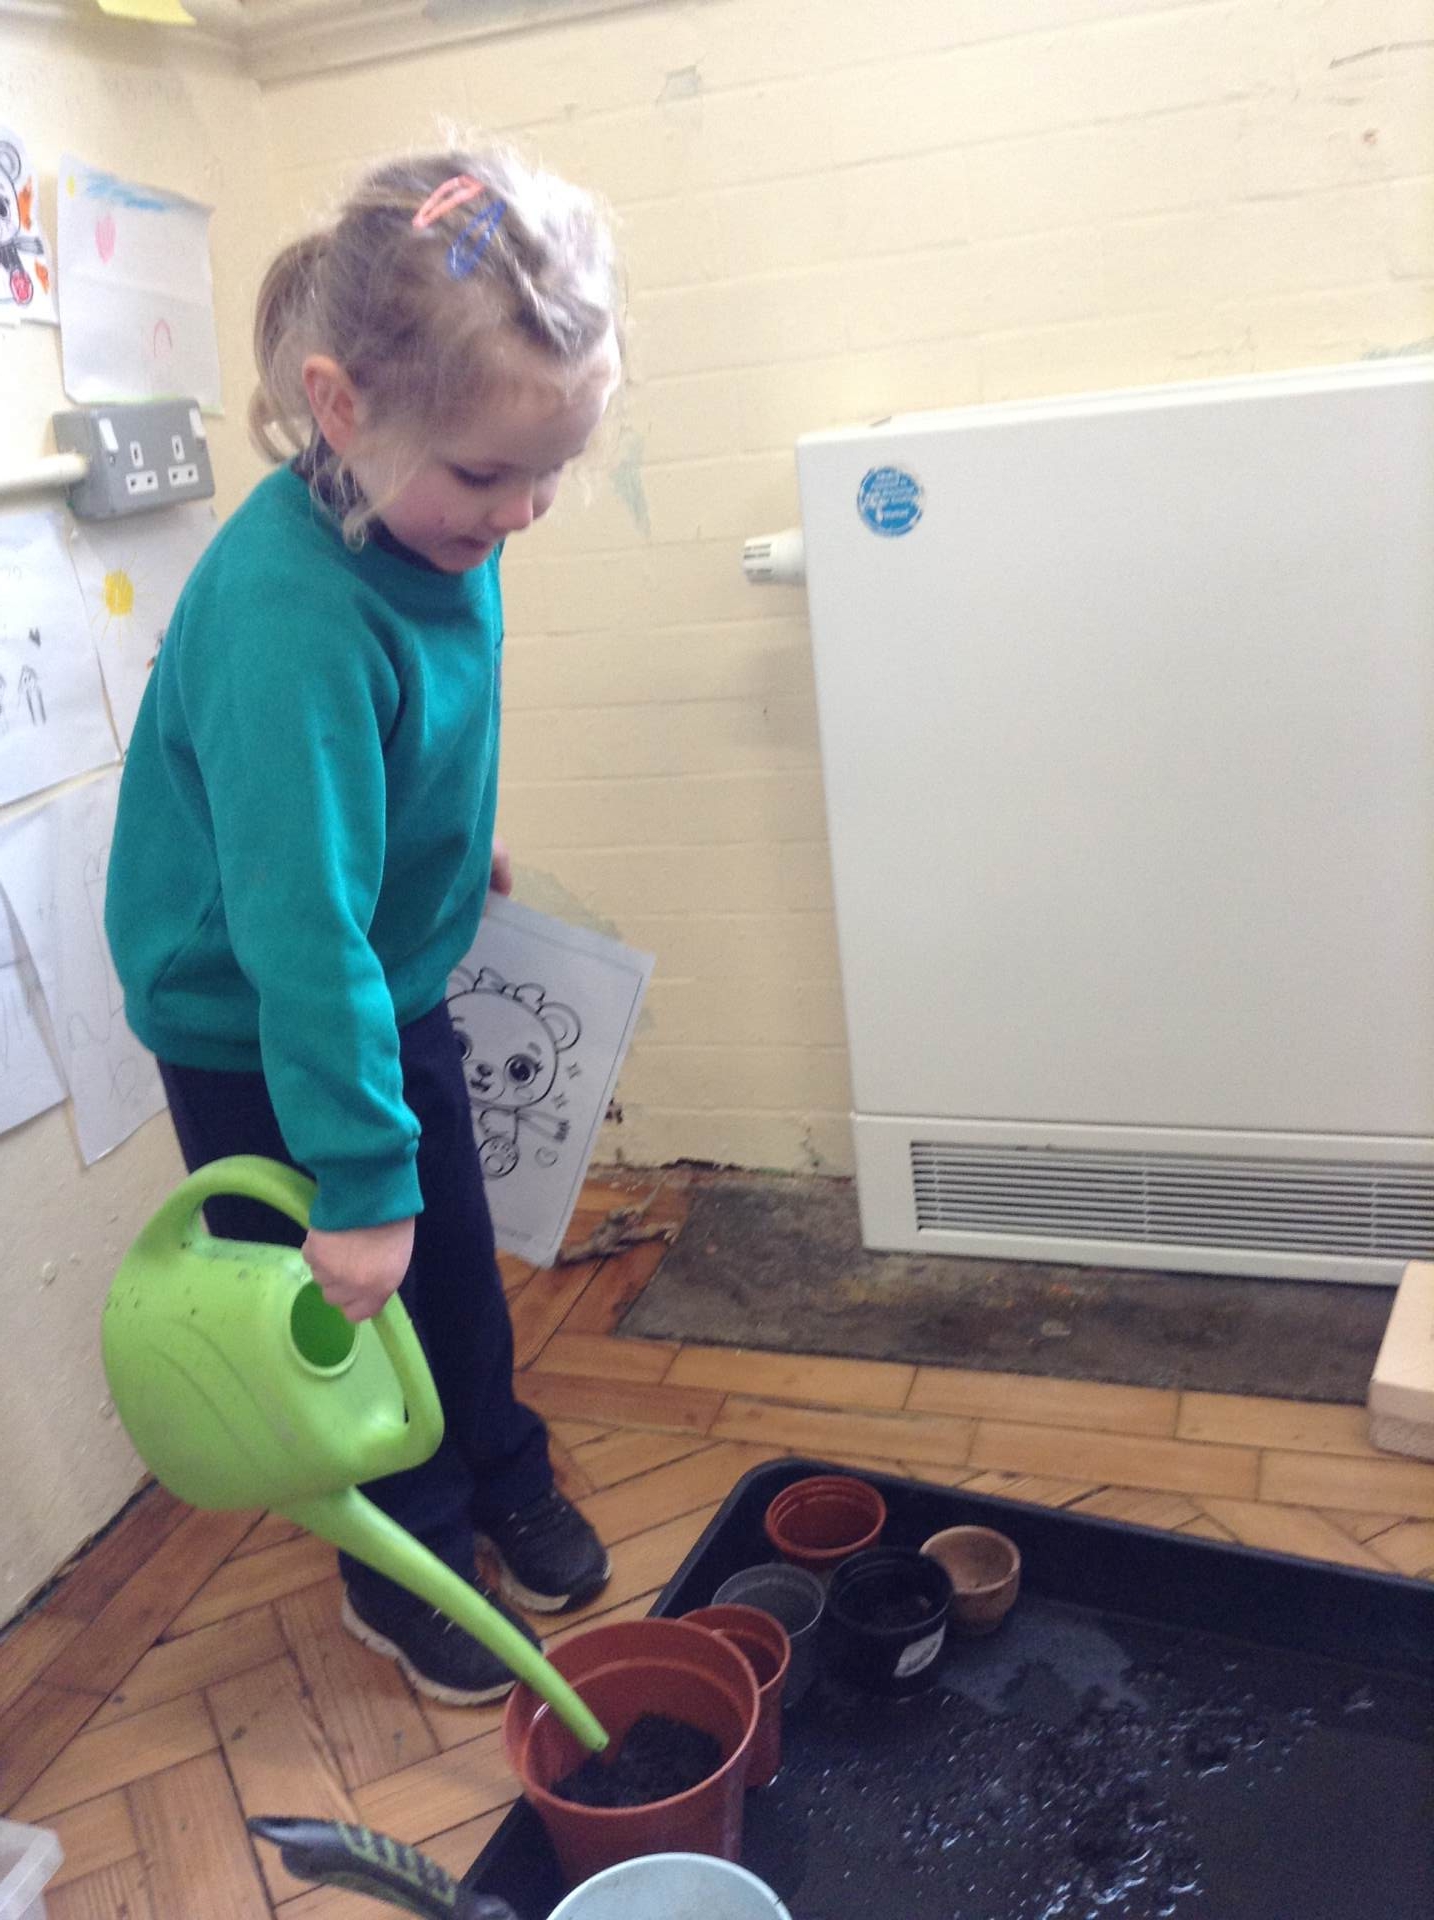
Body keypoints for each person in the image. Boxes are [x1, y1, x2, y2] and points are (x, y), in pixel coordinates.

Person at [105, 147, 622, 1706]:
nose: (520, 512)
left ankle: (499, 1462)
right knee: (351, 1299)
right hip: (260, 1012)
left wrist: (452, 843)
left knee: (447, 1251)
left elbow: (411, 731)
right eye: (487, 476)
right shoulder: (290, 612)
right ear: (340, 409)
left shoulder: (441, 520)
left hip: (370, 966)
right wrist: (353, 1184)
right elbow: (297, 926)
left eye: (550, 473)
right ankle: (403, 1562)